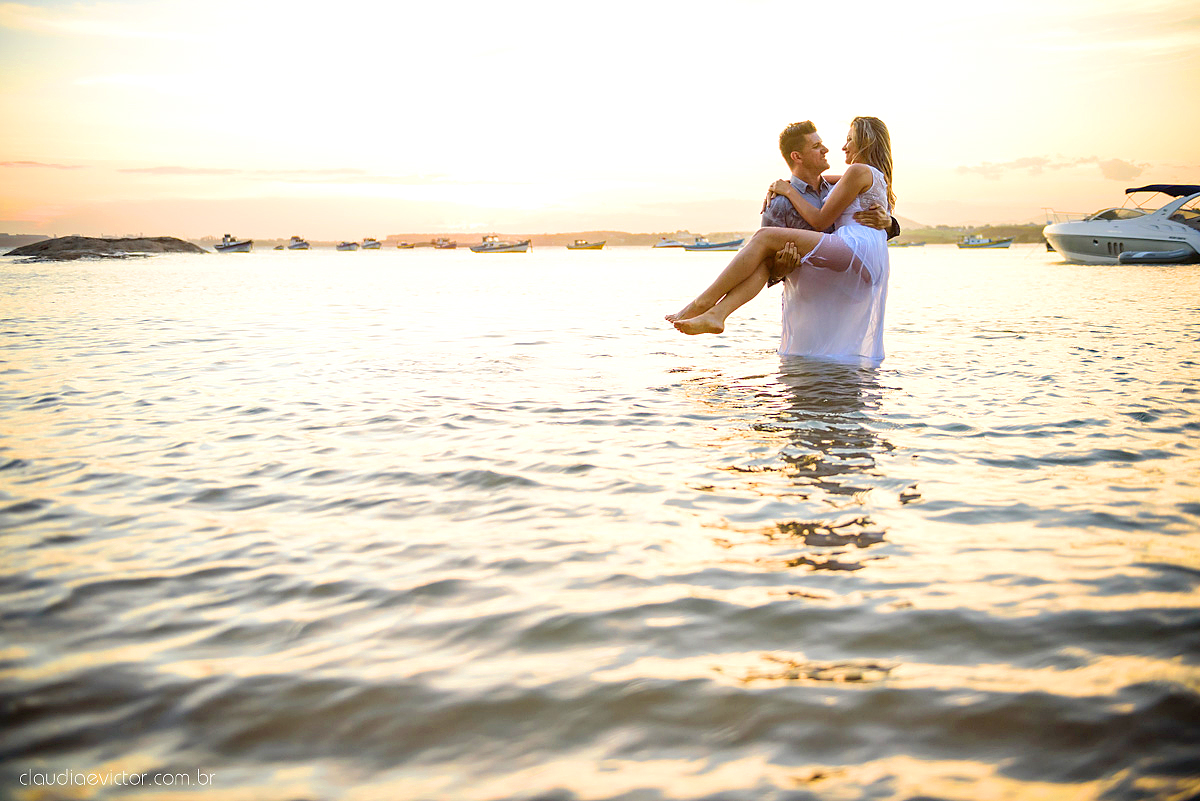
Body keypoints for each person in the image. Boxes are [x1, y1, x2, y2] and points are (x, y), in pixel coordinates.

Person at [665, 116, 895, 364]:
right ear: (798, 156)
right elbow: (829, 184)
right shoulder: (861, 177)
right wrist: (786, 187)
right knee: (764, 258)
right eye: (817, 146)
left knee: (764, 238)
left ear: (865, 142)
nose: (839, 147)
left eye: (849, 139)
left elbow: (819, 221)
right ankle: (717, 314)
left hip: (854, 252)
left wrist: (787, 190)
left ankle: (705, 303)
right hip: (850, 267)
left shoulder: (856, 172)